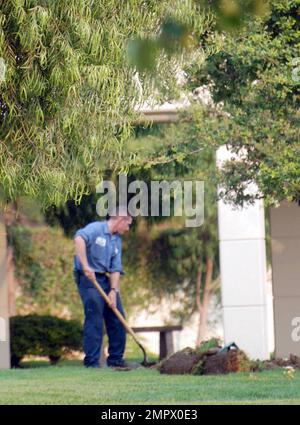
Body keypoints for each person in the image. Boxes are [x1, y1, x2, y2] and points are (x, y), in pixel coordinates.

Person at [73, 207, 132, 368]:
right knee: (95, 318)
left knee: (117, 317)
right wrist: (86, 266)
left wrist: (114, 291)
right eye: (128, 224)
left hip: (104, 280)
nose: (128, 229)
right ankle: (91, 363)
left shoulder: (116, 240)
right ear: (120, 219)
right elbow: (79, 239)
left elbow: (115, 268)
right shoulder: (96, 228)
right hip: (87, 279)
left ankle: (116, 361)